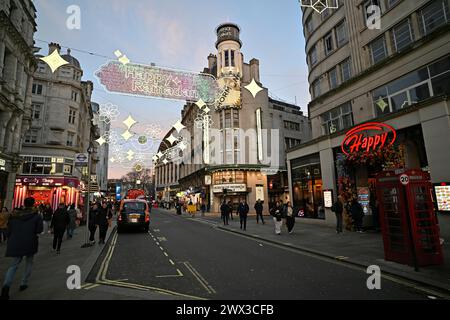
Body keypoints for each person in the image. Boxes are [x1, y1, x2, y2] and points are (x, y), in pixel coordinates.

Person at [1, 197, 43, 300]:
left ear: (24, 204)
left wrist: (11, 237)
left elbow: (8, 230)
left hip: (15, 242)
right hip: (30, 242)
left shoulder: (14, 216)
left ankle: (6, 285)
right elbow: (39, 230)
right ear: (33, 204)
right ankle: (24, 283)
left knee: (14, 265)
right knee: (29, 262)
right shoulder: (36, 216)